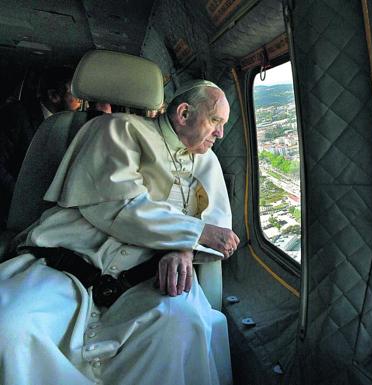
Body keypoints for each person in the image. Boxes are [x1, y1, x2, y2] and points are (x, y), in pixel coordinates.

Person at [0, 80, 239, 385]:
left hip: (148, 280)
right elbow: (119, 204)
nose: (220, 133)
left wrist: (182, 249)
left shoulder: (208, 162)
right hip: (65, 264)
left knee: (182, 326)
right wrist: (191, 233)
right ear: (183, 113)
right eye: (215, 121)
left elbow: (217, 229)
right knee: (10, 324)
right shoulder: (117, 129)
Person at [0, 66, 80, 228]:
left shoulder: (73, 124)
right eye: (75, 96)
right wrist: (21, 196)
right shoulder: (16, 116)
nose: (80, 102)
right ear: (54, 96)